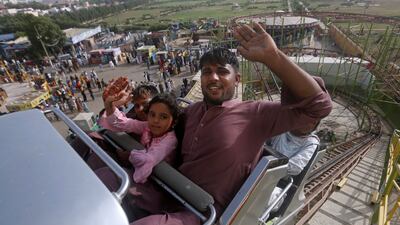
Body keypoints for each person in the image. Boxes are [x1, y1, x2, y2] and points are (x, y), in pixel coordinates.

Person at [90, 22, 332, 225]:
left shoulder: (255, 114)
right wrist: (113, 108)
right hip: (167, 188)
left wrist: (274, 58)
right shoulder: (192, 111)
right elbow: (153, 127)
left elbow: (318, 106)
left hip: (202, 212)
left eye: (221, 72)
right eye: (206, 72)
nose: (213, 77)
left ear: (237, 79)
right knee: (104, 177)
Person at [100, 91, 180, 183]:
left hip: (158, 184)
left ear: (173, 121)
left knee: (106, 176)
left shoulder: (170, 141)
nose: (156, 120)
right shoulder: (147, 126)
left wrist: (129, 156)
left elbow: (148, 159)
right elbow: (123, 123)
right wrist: (109, 102)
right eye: (152, 114)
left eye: (163, 117)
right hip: (140, 173)